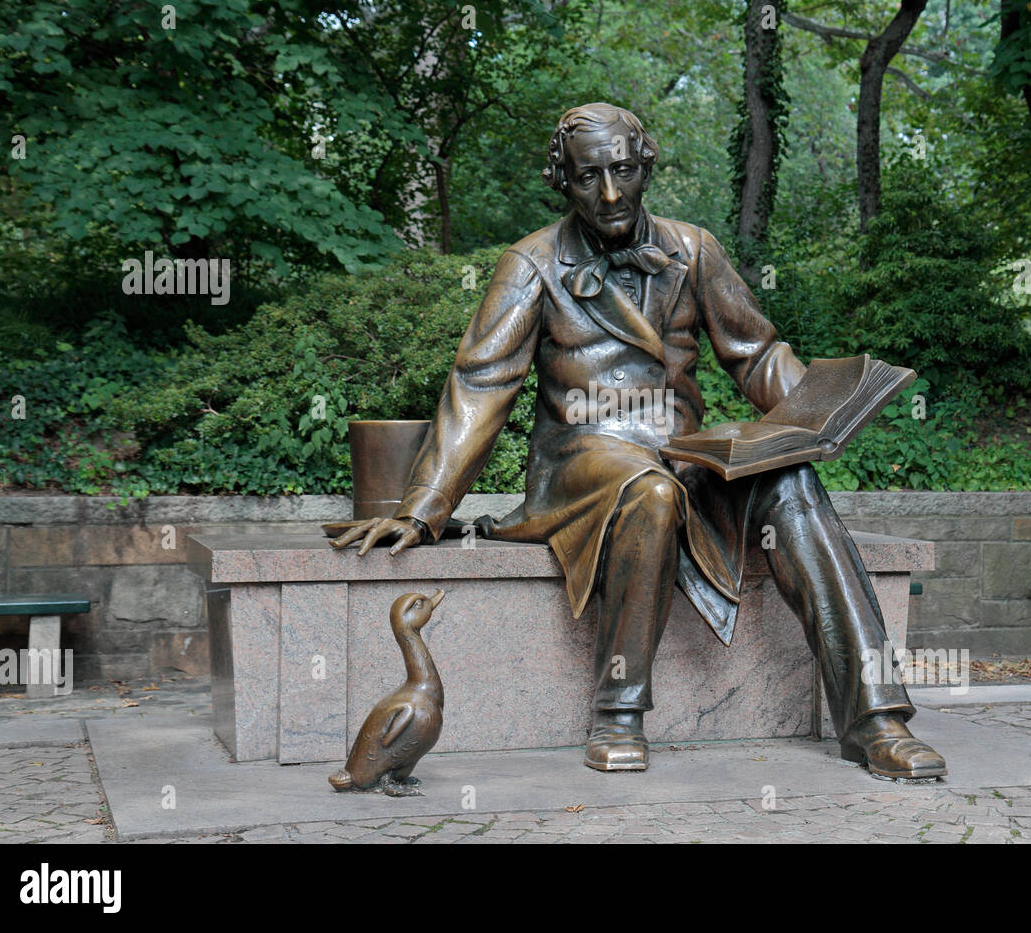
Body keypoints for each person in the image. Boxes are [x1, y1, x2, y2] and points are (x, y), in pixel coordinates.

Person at [333, 103, 946, 780]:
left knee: (792, 481)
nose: (610, 194)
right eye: (588, 177)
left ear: (645, 166)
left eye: (623, 171)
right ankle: (619, 711)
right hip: (583, 458)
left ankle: (875, 718)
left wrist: (819, 413)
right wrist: (425, 506)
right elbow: (481, 385)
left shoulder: (693, 249)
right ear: (562, 180)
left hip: (684, 455)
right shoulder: (531, 264)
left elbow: (756, 355)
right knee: (648, 492)